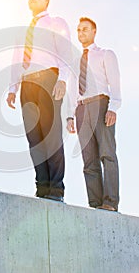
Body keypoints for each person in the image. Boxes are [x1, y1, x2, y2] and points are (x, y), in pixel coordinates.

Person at [6, 0, 71, 201]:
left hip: (48, 78)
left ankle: (56, 188)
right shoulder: (23, 30)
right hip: (27, 84)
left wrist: (62, 79)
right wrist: (13, 88)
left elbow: (65, 52)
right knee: (34, 138)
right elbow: (16, 59)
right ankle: (42, 187)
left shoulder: (55, 23)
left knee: (51, 134)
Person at [66, 17, 121, 211]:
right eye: (79, 30)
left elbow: (114, 83)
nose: (81, 33)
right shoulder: (75, 61)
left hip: (101, 104)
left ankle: (110, 202)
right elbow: (72, 89)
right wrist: (70, 115)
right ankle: (96, 204)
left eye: (85, 29)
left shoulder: (105, 54)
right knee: (88, 160)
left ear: (94, 31)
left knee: (107, 154)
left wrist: (113, 107)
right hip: (81, 109)